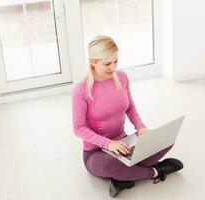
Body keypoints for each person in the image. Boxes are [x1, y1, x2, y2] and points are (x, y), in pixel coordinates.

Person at [72, 35, 183, 197]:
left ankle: (122, 177)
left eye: (116, 61)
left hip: (124, 145)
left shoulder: (122, 78)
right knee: (110, 165)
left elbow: (130, 107)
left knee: (166, 140)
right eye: (107, 64)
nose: (113, 67)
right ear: (92, 62)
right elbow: (78, 128)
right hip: (97, 153)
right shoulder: (81, 90)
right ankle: (156, 171)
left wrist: (141, 128)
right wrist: (109, 144)